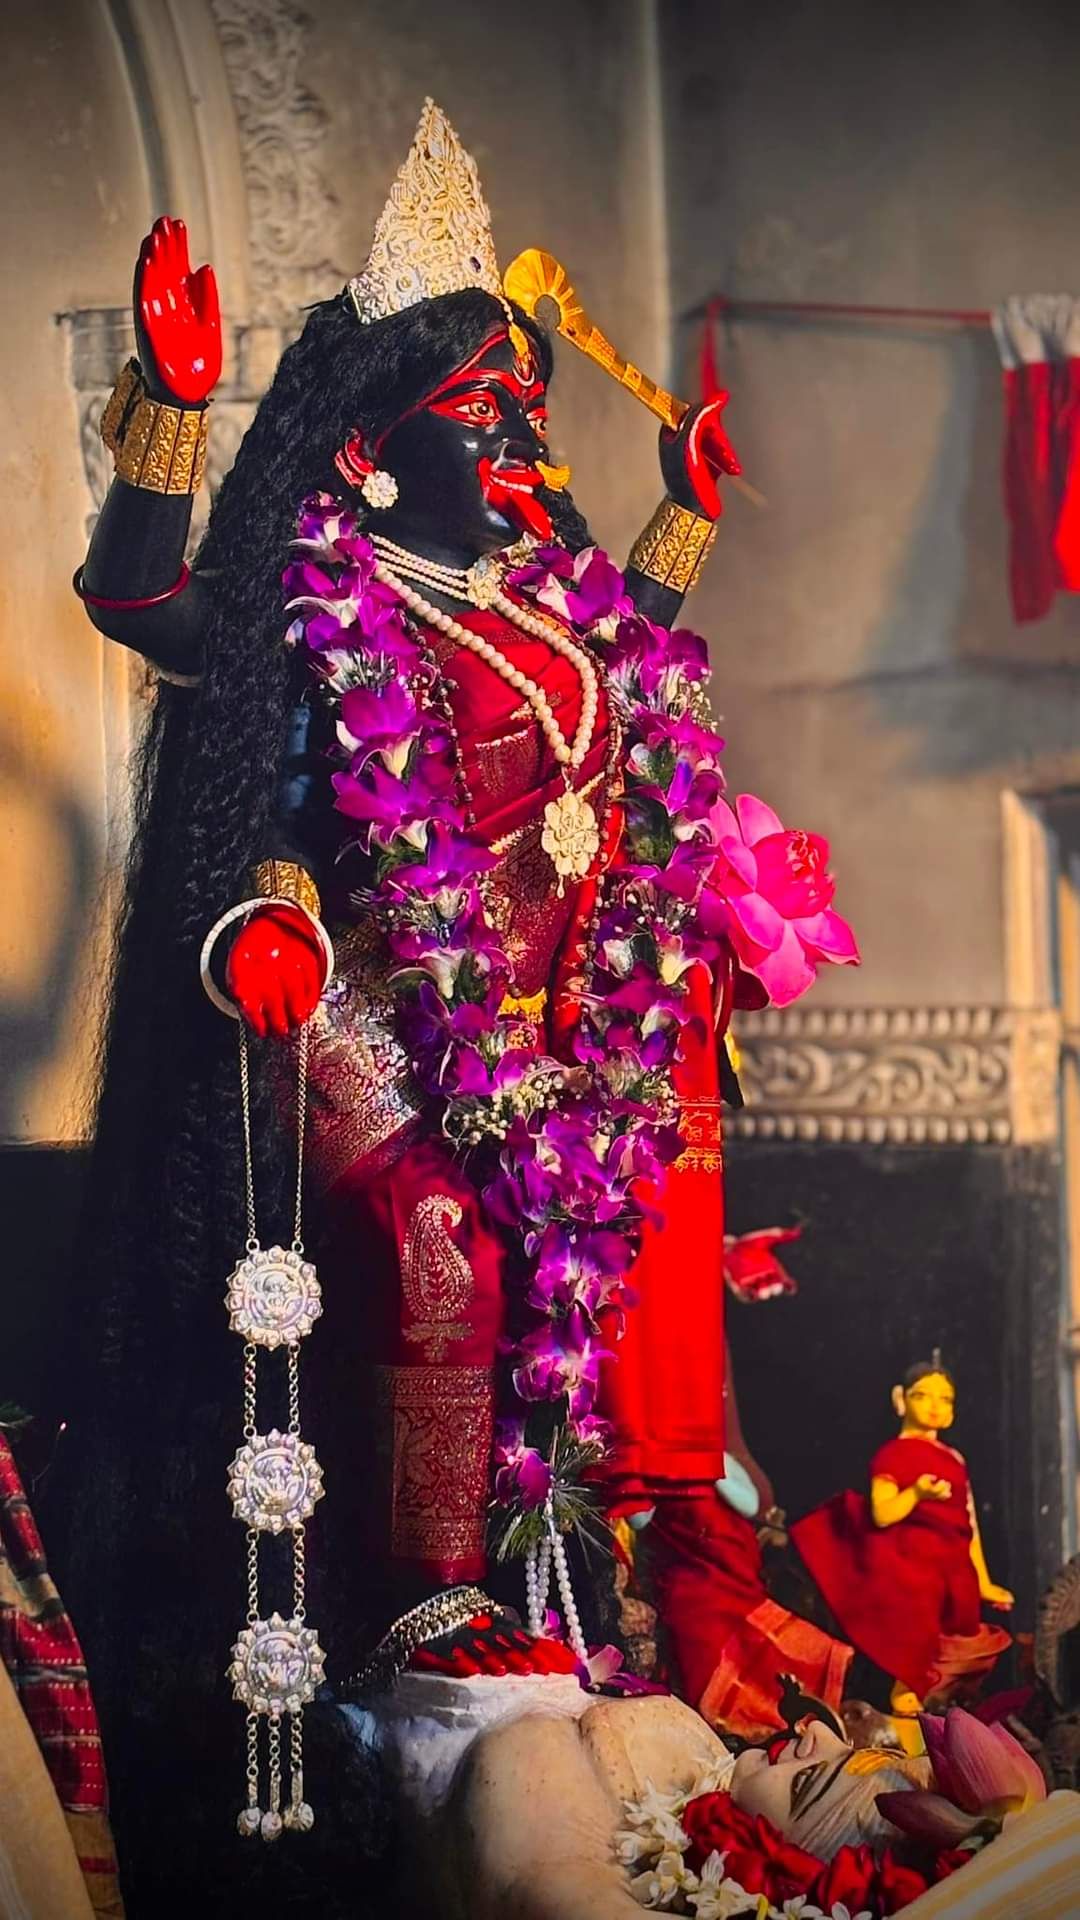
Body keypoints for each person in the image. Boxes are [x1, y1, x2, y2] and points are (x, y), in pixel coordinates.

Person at [60, 101, 855, 1909]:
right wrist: (171, 414)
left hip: (523, 1024)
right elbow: (144, 595)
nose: (517, 439)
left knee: (561, 1257)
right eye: (481, 411)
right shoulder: (329, 599)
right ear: (366, 450)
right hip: (344, 986)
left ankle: (526, 1585)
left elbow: (620, 666)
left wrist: (683, 520)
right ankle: (430, 1600)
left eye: (525, 414)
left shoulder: (543, 603)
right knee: (434, 1231)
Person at [792, 1357, 1012, 1720]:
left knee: (963, 1618)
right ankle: (905, 1687)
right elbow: (883, 1513)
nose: (935, 1406)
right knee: (917, 1593)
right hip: (908, 1555)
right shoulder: (893, 1454)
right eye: (923, 1395)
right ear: (901, 1400)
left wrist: (984, 1582)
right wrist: (917, 1494)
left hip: (952, 1561)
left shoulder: (954, 1460)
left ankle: (939, 1696)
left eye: (945, 1399)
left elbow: (969, 1524)